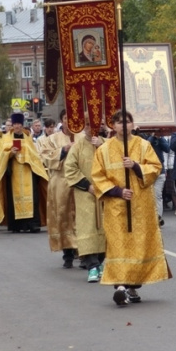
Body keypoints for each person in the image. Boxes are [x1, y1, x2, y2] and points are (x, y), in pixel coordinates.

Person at [92, 110, 171, 306]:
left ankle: (133, 287)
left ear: (132, 124)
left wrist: (136, 166)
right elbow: (98, 176)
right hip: (116, 207)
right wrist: (117, 191)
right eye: (119, 122)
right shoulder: (103, 149)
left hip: (140, 205)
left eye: (126, 122)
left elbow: (155, 167)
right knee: (118, 245)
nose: (123, 125)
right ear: (113, 125)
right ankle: (120, 287)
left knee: (138, 246)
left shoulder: (143, 145)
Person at [64, 120, 106, 283]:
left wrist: (101, 147)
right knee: (87, 228)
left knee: (105, 227)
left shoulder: (107, 144)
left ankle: (101, 261)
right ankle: (91, 265)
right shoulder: (78, 146)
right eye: (88, 125)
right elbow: (70, 168)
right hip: (85, 194)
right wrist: (87, 186)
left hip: (105, 192)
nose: (91, 128)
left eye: (96, 124)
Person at [39, 110, 78, 267]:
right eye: (66, 118)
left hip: (81, 183)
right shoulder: (52, 139)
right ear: (62, 120)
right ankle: (67, 254)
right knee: (63, 217)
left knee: (81, 218)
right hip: (60, 182)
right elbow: (45, 157)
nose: (69, 121)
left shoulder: (83, 136)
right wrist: (63, 150)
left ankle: (84, 253)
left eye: (73, 118)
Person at [1, 113, 49, 233]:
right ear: (12, 125)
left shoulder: (28, 139)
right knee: (15, 198)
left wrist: (30, 159)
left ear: (22, 125)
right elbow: (1, 155)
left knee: (32, 198)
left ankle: (32, 224)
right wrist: (10, 153)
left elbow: (35, 155)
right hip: (14, 173)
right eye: (15, 124)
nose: (17, 126)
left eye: (19, 124)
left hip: (28, 172)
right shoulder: (6, 138)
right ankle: (17, 225)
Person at [146, 131, 171, 227]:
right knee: (148, 196)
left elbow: (167, 149)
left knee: (157, 195)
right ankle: (149, 218)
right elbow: (146, 146)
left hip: (160, 171)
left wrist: (159, 138)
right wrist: (152, 136)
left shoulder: (161, 138)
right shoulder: (143, 136)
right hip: (147, 171)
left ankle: (158, 217)